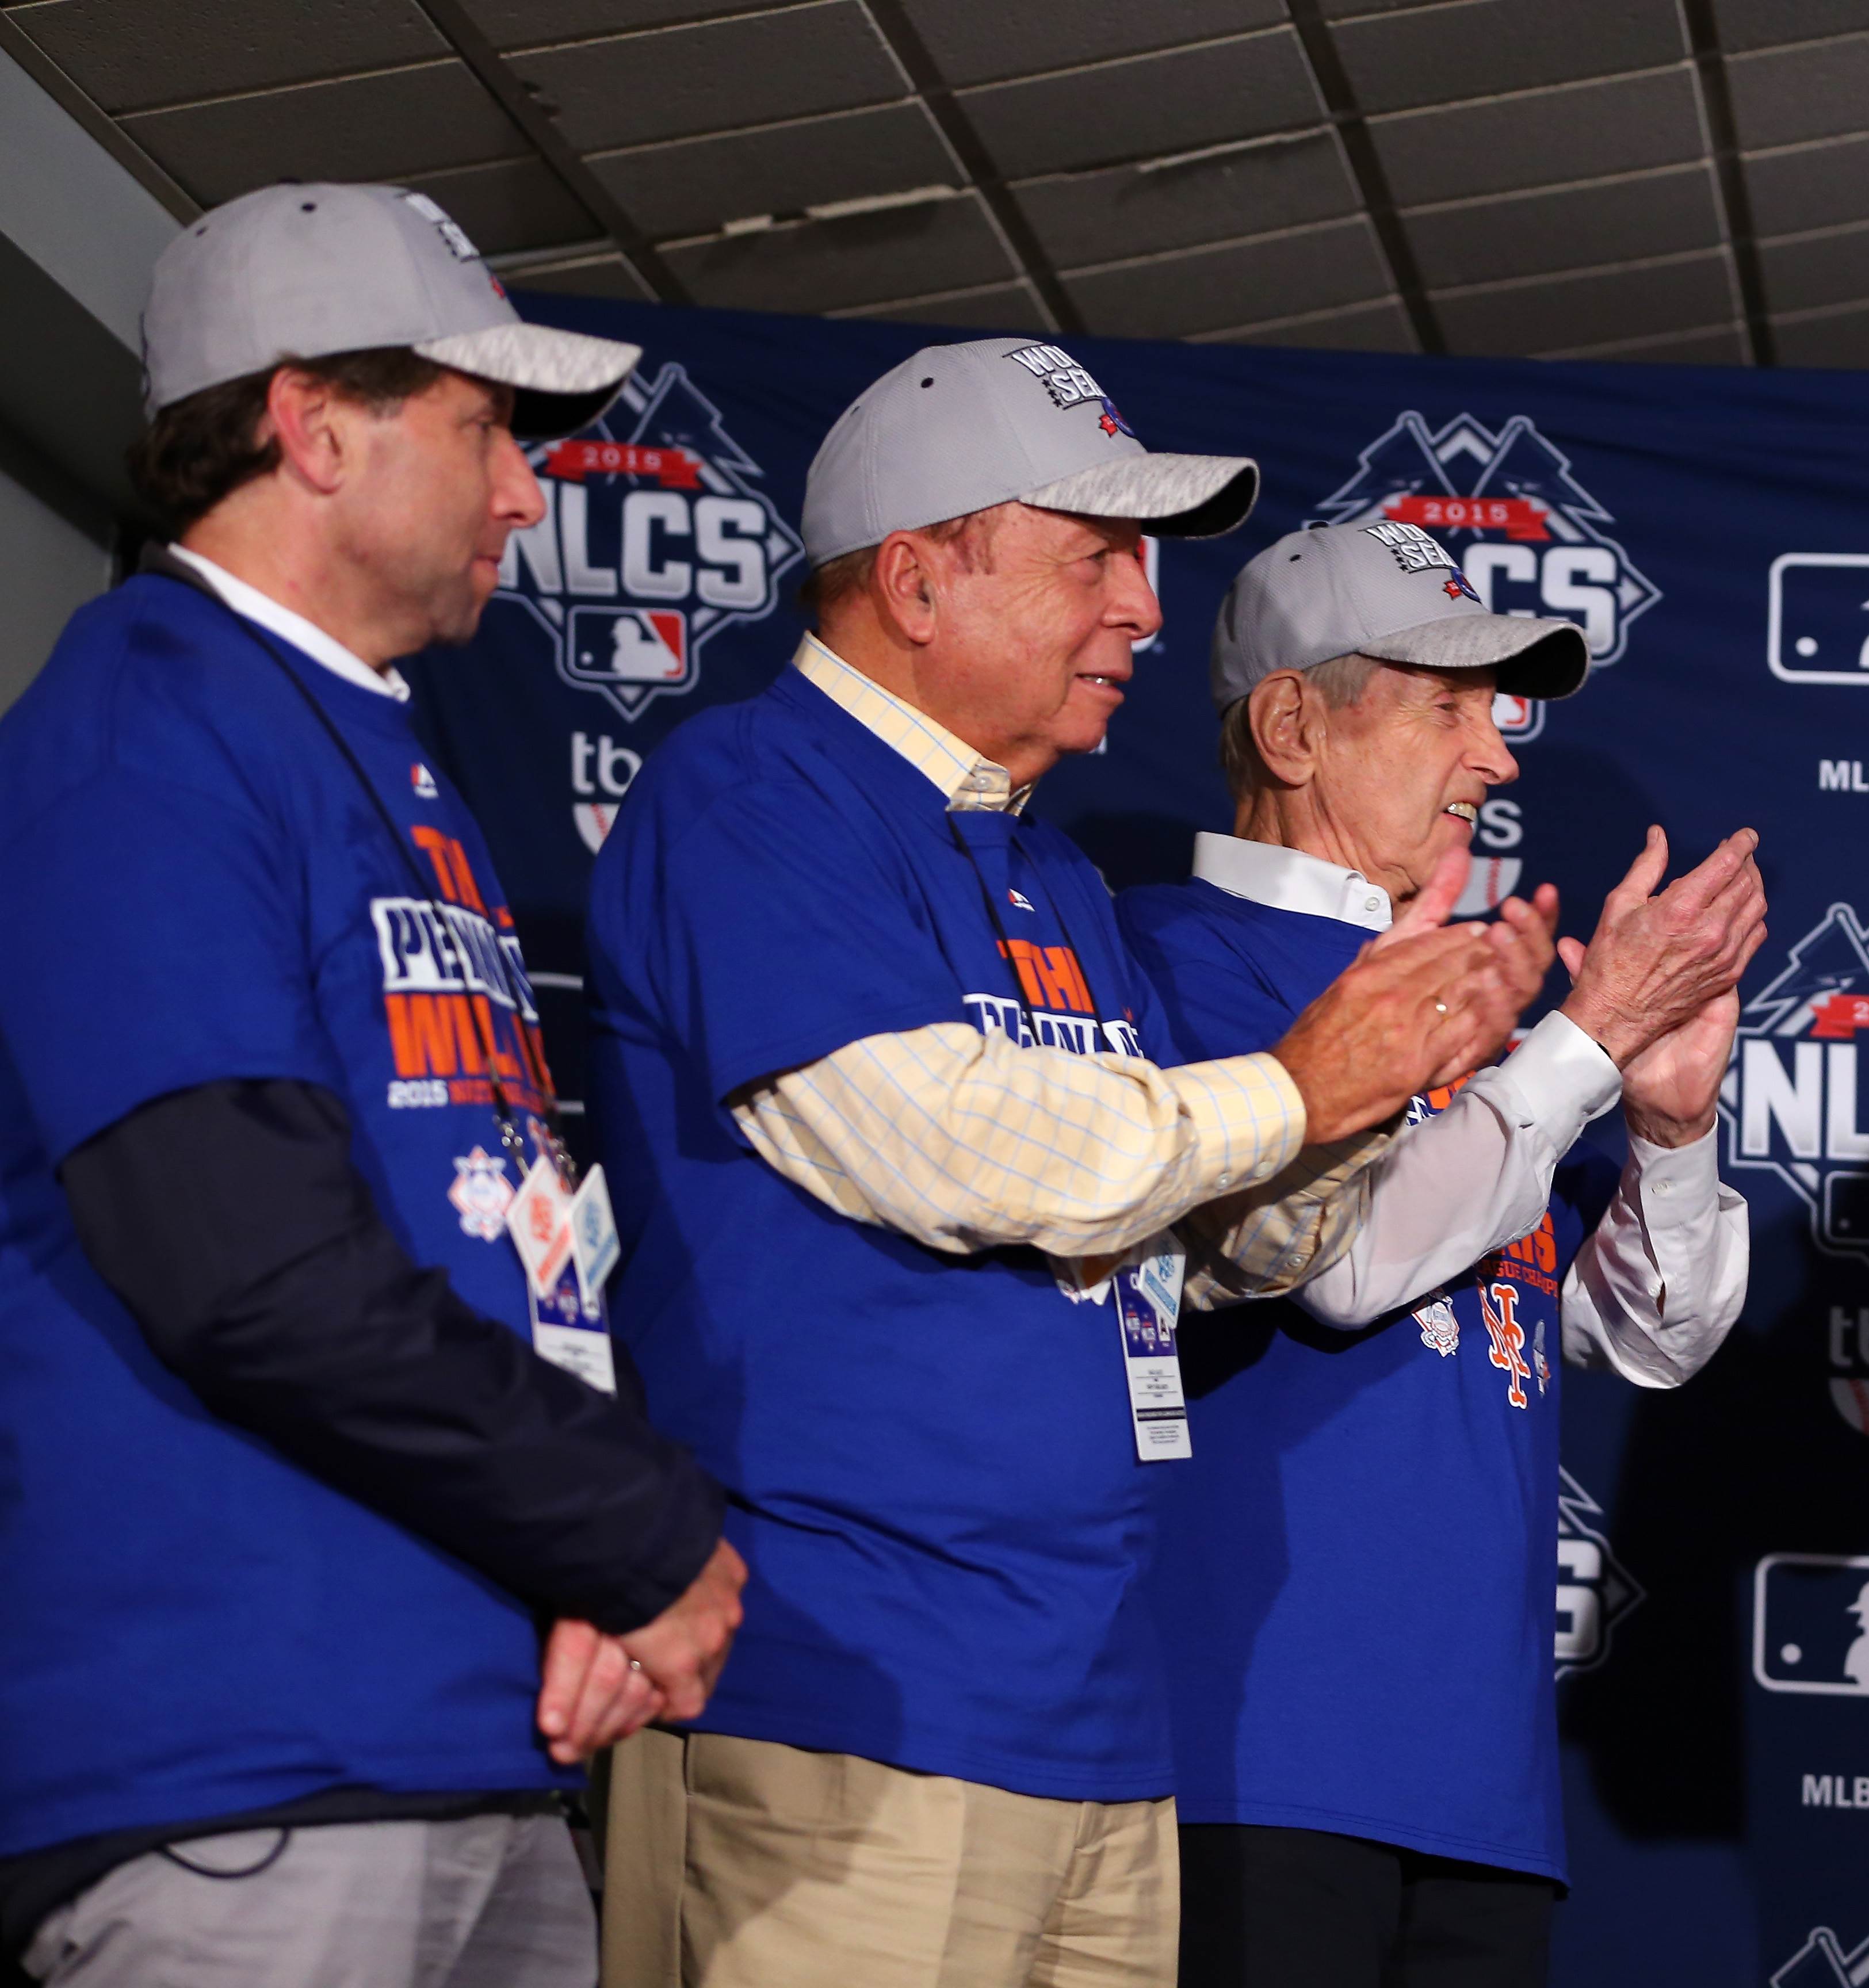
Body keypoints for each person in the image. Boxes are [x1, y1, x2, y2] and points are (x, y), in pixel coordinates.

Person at [587, 342, 1554, 1988]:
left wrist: (1363, 1101)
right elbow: (941, 1142)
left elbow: (1183, 1256)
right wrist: (1292, 1085)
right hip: (840, 1696)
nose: (1146, 608)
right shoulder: (753, 793)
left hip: (1098, 1724)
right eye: (1095, 554)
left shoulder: (1057, 877)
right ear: (916, 577)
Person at [0, 183, 746, 1988]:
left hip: (481, 1728)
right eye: (485, 429)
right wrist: (636, 1528)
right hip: (250, 1768)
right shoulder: (145, 726)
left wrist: (584, 1568)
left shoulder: (371, 753)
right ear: (310, 428)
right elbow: (244, 1262)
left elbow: (500, 1244)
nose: (522, 490)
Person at [1114, 521, 1761, 1988]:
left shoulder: (1465, 991)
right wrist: (1580, 1046)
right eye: (1446, 706)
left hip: (1480, 1788)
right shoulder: (1166, 954)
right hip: (1251, 1757)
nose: (1497, 756)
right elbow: (1331, 1263)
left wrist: (1667, 1126)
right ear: (1292, 725)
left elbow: (1642, 1333)